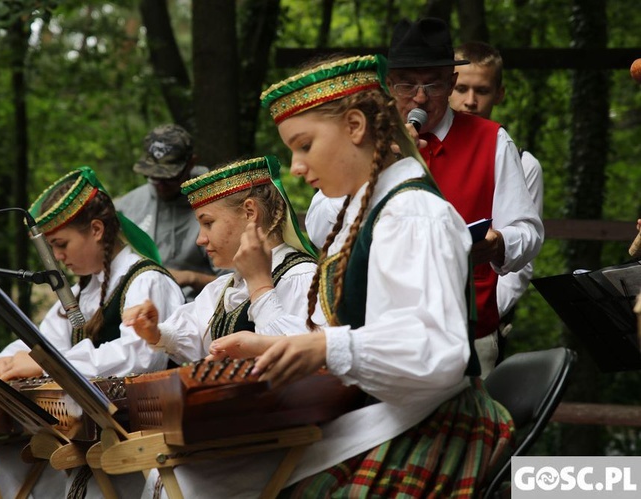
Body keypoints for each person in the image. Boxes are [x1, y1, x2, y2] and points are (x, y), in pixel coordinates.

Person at [139, 54, 513, 498]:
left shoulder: (413, 214)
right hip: (383, 412)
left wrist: (321, 346)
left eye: (304, 145)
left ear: (355, 126)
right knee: (191, 477)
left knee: (203, 483)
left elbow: (438, 351)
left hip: (428, 424)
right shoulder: (370, 211)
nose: (295, 167)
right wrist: (278, 345)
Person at [308, 18, 544, 376]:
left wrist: (499, 245)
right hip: (372, 334)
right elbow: (318, 228)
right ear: (389, 84)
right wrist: (376, 166)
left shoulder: (491, 140)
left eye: (432, 84)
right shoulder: (361, 136)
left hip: (467, 335)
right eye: (406, 84)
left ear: (450, 83)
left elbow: (528, 231)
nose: (419, 97)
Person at [0, 166, 185, 499]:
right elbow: (39, 341)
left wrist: (46, 364)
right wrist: (4, 363)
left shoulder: (147, 281)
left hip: (142, 444)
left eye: (61, 244)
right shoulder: (80, 293)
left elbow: (142, 359)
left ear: (97, 229)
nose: (57, 257)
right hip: (88, 439)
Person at [123, 155, 319, 365]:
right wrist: (154, 332)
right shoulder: (223, 289)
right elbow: (195, 335)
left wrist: (260, 288)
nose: (200, 239)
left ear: (250, 212)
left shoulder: (303, 277)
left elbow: (308, 356)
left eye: (208, 223)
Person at [450, 40, 545, 374]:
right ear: (447, 85)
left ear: (499, 94)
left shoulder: (521, 162)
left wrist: (481, 312)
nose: (470, 101)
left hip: (479, 322)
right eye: (461, 88)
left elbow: (520, 263)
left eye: (482, 90)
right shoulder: (417, 144)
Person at [114, 124, 220, 301]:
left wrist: (191, 278)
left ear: (191, 163)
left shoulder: (215, 205)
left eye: (169, 177)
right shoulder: (128, 206)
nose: (160, 184)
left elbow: (238, 284)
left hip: (198, 312)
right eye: (154, 176)